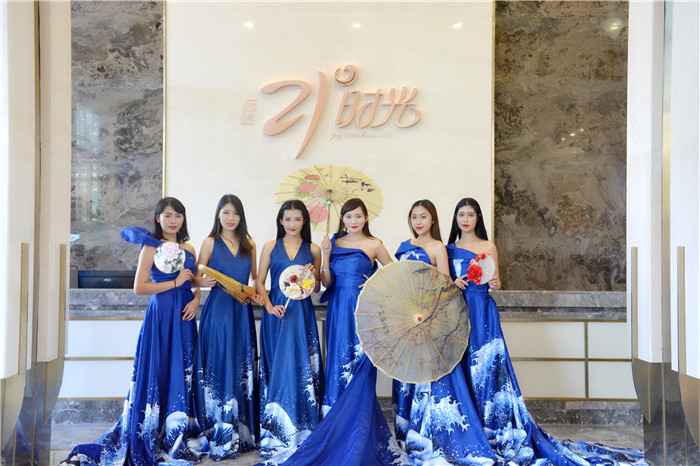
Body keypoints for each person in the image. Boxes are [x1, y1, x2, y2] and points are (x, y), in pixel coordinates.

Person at [447, 197, 646, 465]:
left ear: (478, 218)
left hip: (482, 310)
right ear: (456, 218)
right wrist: (453, 283)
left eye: (470, 214)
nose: (465, 219)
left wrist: (494, 282)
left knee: (487, 367)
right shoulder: (449, 249)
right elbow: (443, 284)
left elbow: (497, 284)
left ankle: (492, 425)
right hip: (458, 312)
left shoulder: (488, 246)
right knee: (461, 367)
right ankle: (469, 429)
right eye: (461, 214)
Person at [63, 197, 208, 465]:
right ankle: (154, 430)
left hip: (184, 315)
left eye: (178, 215)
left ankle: (176, 430)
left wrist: (197, 298)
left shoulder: (188, 247)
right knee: (158, 367)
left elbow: (193, 282)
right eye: (167, 215)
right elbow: (139, 287)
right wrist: (174, 283)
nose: (173, 220)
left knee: (182, 368)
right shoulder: (150, 247)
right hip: (162, 314)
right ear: (157, 218)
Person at [391, 199, 498, 464]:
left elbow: (445, 285)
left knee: (457, 369)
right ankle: (409, 428)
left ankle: (447, 428)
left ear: (433, 220)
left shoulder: (441, 247)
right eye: (414, 217)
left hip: (454, 310)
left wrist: (492, 282)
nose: (418, 221)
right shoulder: (422, 246)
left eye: (423, 217)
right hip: (409, 313)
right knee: (412, 368)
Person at [193, 194, 264, 460]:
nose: (230, 218)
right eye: (226, 212)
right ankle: (215, 428)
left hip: (241, 310)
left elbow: (255, 278)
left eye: (235, 213)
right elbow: (197, 275)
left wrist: (258, 294)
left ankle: (240, 431)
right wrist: (203, 282)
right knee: (218, 363)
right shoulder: (210, 242)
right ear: (218, 215)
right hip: (218, 311)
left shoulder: (250, 244)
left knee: (239, 364)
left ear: (241, 216)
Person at [255, 200, 324, 458]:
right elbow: (259, 282)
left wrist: (313, 275)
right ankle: (274, 432)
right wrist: (270, 307)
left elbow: (317, 288)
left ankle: (303, 431)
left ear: (304, 221)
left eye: (297, 219)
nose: (292, 224)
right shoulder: (269, 246)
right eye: (287, 219)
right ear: (280, 221)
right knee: (278, 368)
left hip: (302, 315)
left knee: (300, 367)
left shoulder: (314, 249)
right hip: (277, 314)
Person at [318, 198, 393, 415]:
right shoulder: (333, 242)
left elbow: (395, 274)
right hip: (338, 307)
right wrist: (325, 254)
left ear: (366, 218)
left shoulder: (374, 244)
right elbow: (326, 282)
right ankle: (335, 414)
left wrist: (375, 281)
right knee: (338, 356)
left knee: (362, 357)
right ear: (342, 218)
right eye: (349, 216)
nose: (353, 221)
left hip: (364, 308)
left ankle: (360, 416)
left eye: (358, 216)